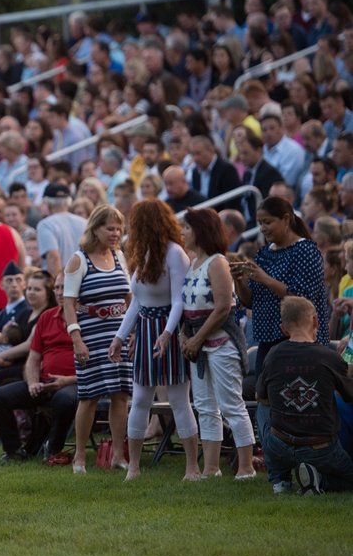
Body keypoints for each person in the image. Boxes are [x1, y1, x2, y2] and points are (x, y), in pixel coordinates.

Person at [231, 196, 330, 493]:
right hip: (268, 341)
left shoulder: (306, 251)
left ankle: (310, 467)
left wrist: (263, 277)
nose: (263, 228)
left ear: (287, 219)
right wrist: (241, 282)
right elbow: (252, 302)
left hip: (301, 342)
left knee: (303, 408)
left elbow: (302, 296)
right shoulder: (264, 253)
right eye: (260, 223)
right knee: (266, 405)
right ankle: (277, 474)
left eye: (268, 222)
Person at [108, 200, 197, 481]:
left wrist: (168, 332)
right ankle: (133, 467)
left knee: (178, 399)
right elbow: (137, 304)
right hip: (147, 330)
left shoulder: (174, 253)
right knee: (141, 399)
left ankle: (192, 468)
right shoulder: (142, 254)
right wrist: (120, 336)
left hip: (167, 328)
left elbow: (178, 300)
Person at [179, 208, 256, 480]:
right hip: (197, 344)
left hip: (222, 342)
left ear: (200, 231)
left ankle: (246, 467)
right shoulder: (193, 262)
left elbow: (223, 308)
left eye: (186, 228)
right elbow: (185, 306)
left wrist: (197, 339)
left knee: (231, 404)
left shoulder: (217, 262)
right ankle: (211, 468)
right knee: (204, 405)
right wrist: (183, 336)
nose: (182, 233)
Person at [258, 296, 353, 495]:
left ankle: (280, 479)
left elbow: (262, 396)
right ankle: (320, 480)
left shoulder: (273, 355)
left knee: (262, 408)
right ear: (316, 321)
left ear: (283, 328)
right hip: (321, 449)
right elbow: (349, 395)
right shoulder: (330, 357)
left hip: (279, 446)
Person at [63, 205, 131, 473]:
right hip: (90, 332)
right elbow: (69, 304)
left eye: (118, 228)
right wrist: (76, 338)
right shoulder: (79, 259)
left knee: (120, 394)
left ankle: (117, 454)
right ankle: (79, 455)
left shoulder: (120, 256)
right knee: (89, 395)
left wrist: (131, 329)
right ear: (95, 228)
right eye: (109, 228)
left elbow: (129, 296)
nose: (115, 233)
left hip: (118, 331)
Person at [0, 273, 77, 462]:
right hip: (44, 382)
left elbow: (96, 365)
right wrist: (32, 382)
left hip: (74, 383)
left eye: (65, 288)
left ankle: (52, 451)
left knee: (63, 399)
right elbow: (33, 358)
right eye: (57, 288)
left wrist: (67, 381)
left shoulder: (87, 319)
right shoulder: (46, 317)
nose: (61, 292)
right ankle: (14, 452)